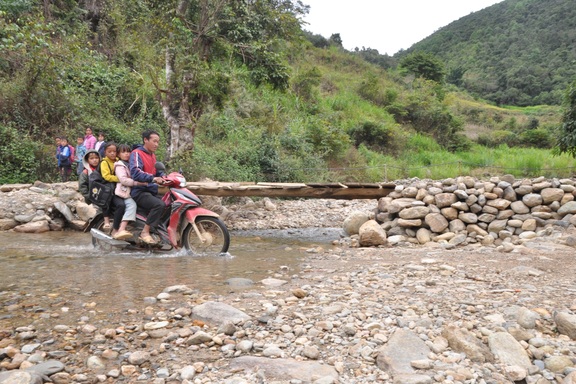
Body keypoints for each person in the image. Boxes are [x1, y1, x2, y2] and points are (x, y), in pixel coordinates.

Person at [130, 130, 166, 244]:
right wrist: (153, 178)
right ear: (145, 140)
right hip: (139, 191)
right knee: (159, 204)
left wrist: (164, 176)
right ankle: (145, 232)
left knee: (169, 202)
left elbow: (157, 171)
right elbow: (135, 172)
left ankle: (157, 230)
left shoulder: (152, 155)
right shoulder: (136, 153)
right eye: (154, 141)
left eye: (158, 142)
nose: (156, 144)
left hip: (151, 190)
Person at [113, 144, 146, 241]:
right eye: (123, 152)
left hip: (132, 191)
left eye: (128, 152)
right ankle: (121, 229)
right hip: (124, 192)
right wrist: (138, 183)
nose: (127, 154)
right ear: (118, 154)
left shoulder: (132, 164)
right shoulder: (119, 165)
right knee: (132, 205)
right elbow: (123, 180)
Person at [99, 142, 126, 237]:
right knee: (121, 205)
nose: (112, 153)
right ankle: (115, 228)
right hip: (109, 189)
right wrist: (121, 179)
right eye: (109, 151)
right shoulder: (104, 162)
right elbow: (106, 176)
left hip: (120, 188)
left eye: (114, 151)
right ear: (105, 152)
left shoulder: (119, 161)